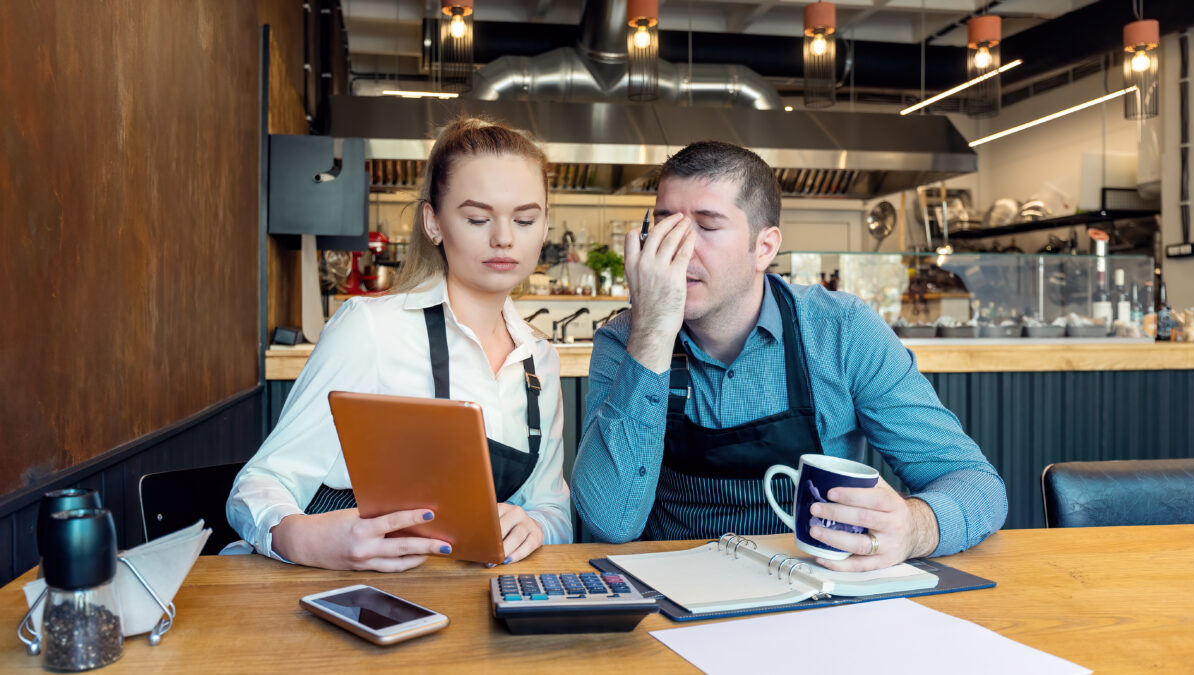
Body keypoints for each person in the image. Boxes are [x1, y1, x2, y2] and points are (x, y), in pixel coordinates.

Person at [571, 141, 1006, 572]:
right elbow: (612, 522)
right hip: (672, 597)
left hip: (813, 593)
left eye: (707, 225)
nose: (679, 249)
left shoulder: (842, 331)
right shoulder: (624, 338)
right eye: (666, 225)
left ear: (764, 248)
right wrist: (651, 332)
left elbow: (976, 484)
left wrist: (914, 528)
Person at [227, 118, 571, 572]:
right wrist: (307, 539)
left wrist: (536, 524)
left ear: (545, 226)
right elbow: (258, 484)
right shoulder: (370, 329)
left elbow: (554, 511)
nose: (504, 238)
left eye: (525, 219)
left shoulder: (538, 361)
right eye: (477, 218)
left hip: (470, 601)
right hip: (351, 592)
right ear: (433, 222)